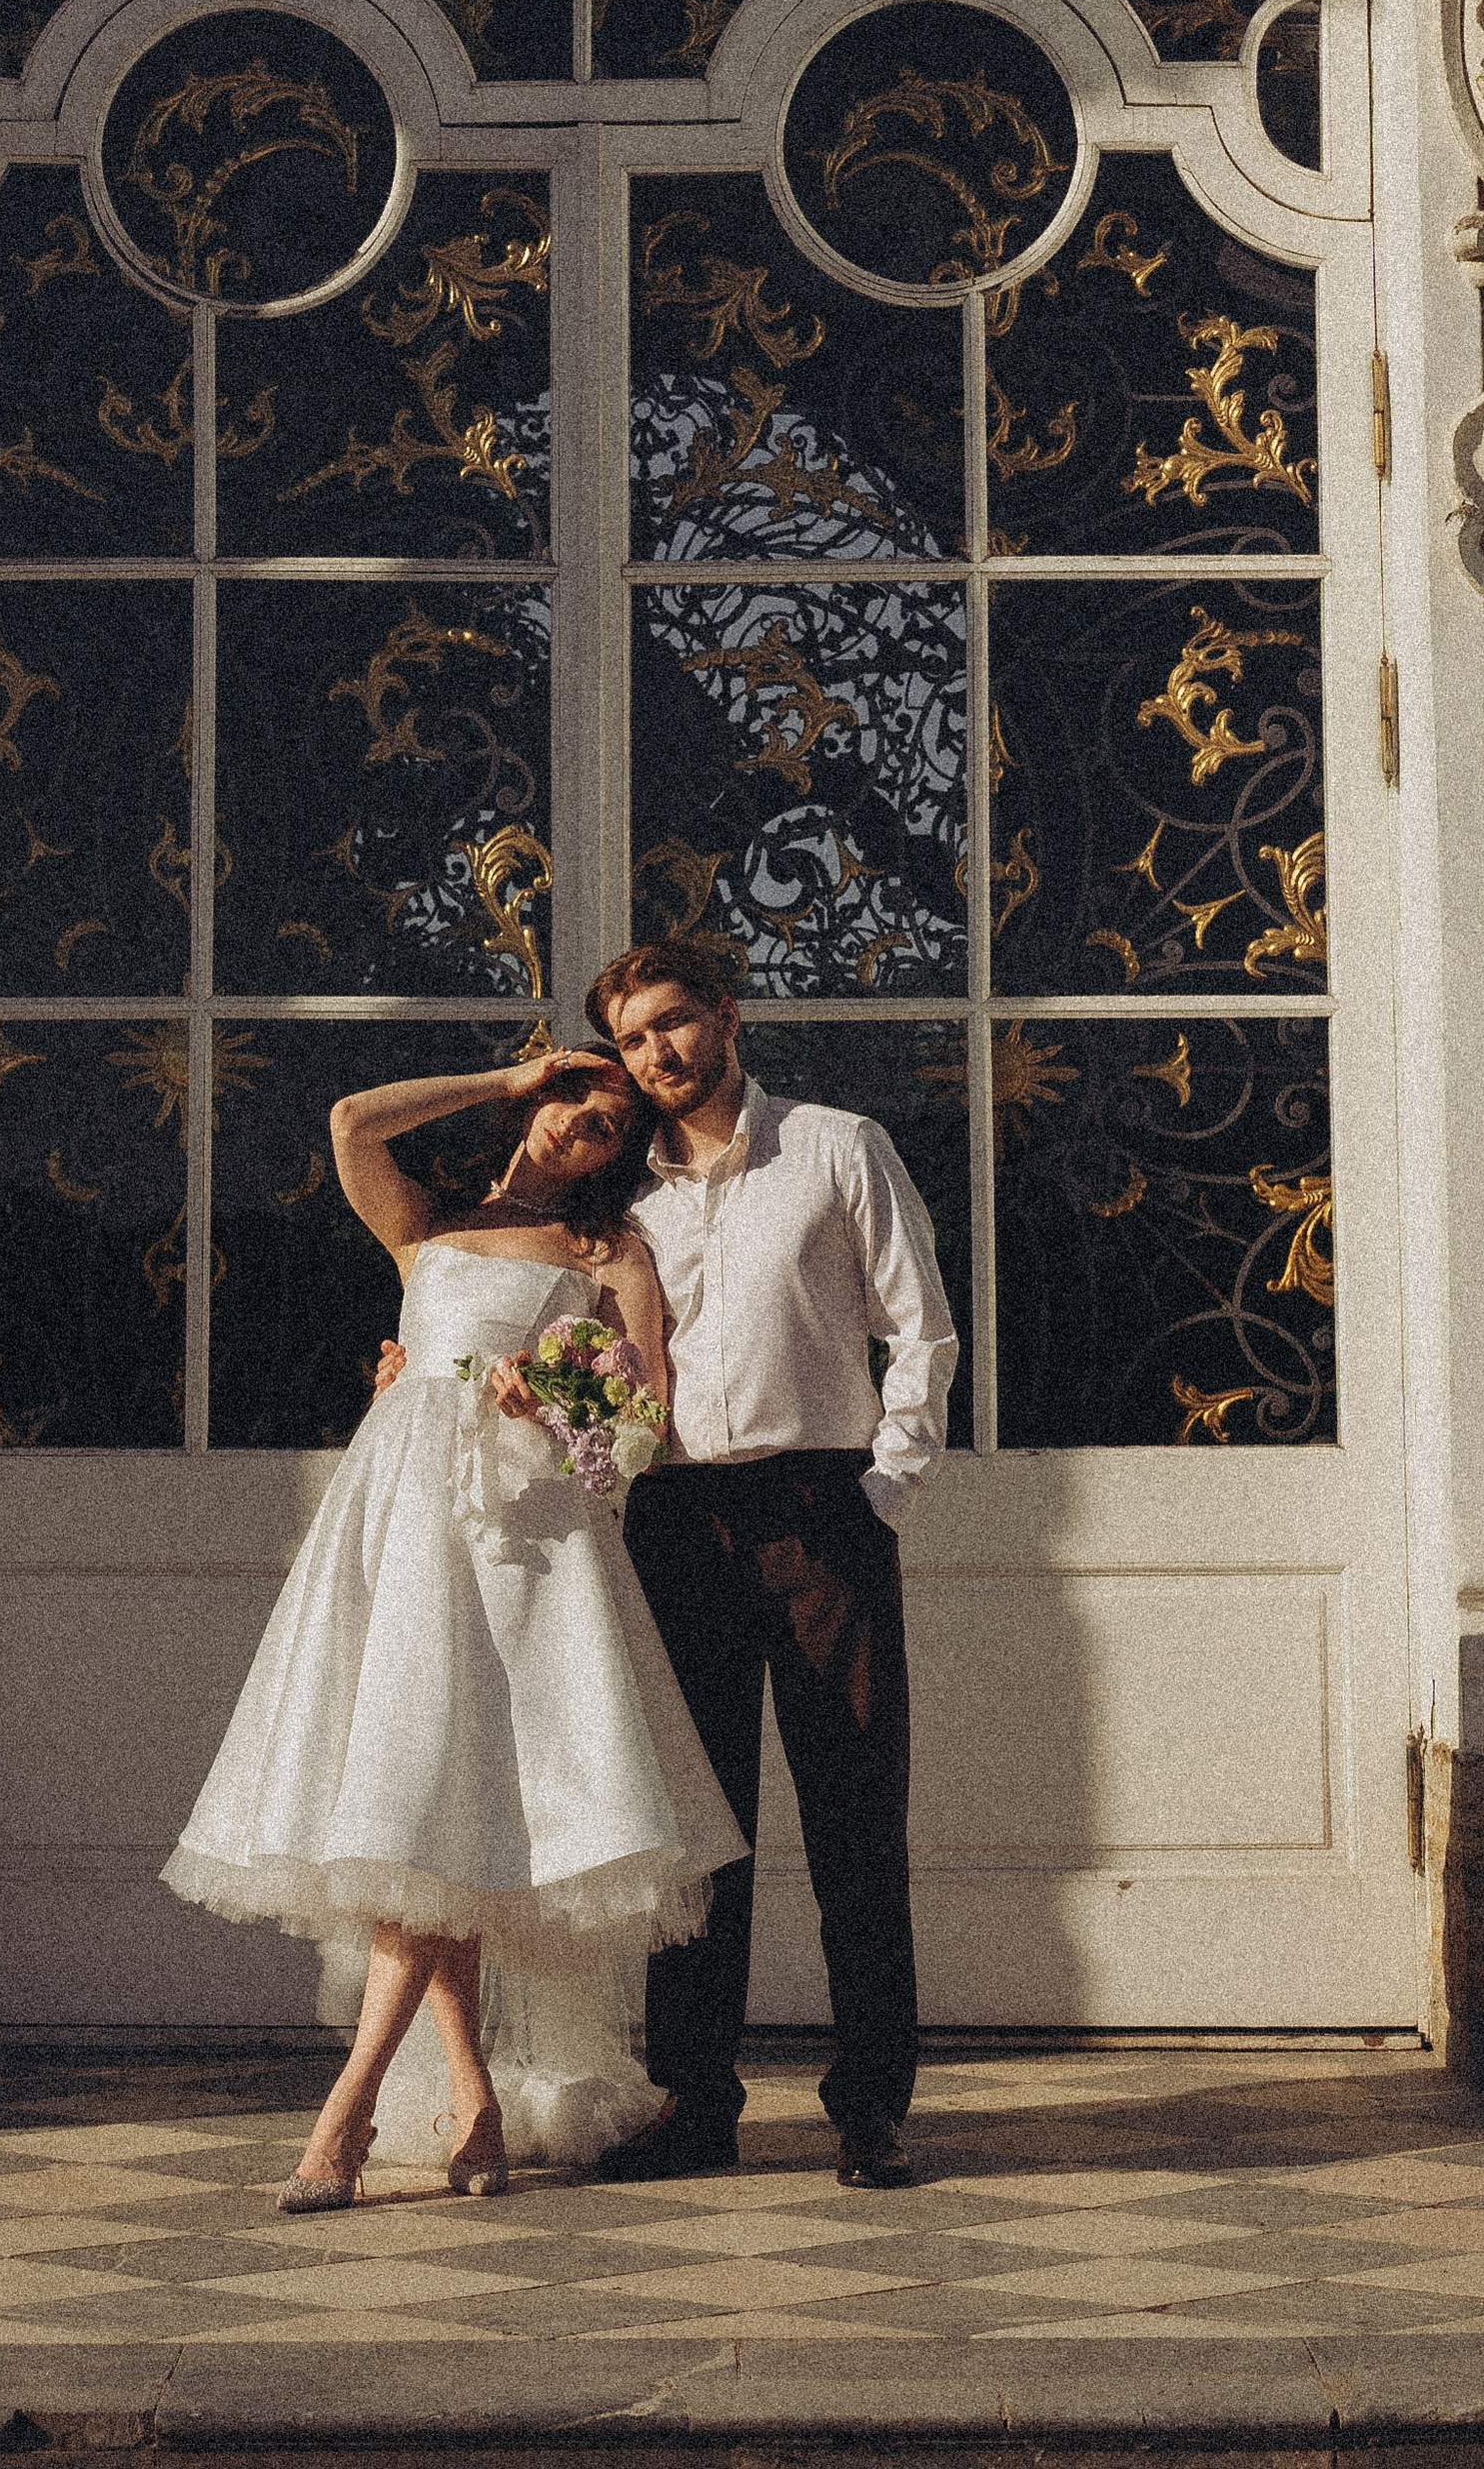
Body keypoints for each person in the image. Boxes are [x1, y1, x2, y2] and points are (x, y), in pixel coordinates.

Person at [162, 1047, 744, 2210]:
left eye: (611, 1124)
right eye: (577, 1100)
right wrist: (507, 1074)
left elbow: (642, 1431)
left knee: (440, 1816)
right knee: (431, 1817)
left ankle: (350, 2111)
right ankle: (473, 2105)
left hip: (525, 1542)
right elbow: (349, 1114)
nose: (586, 1125)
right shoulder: (425, 1226)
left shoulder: (606, 1251)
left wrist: (561, 1394)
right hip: (398, 1531)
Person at [587, 936, 959, 2191]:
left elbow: (920, 1327)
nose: (660, 1055)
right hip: (673, 1523)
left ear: (728, 1018)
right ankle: (695, 2108)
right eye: (635, 1039)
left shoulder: (837, 1146)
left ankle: (871, 2109)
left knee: (856, 1818)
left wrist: (883, 1489)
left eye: (677, 1024)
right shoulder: (614, 1195)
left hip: (819, 1511)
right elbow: (577, 1356)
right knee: (700, 1840)